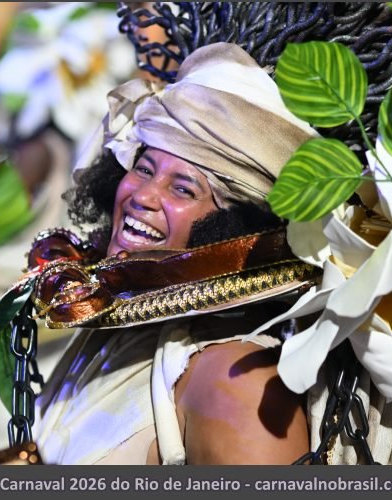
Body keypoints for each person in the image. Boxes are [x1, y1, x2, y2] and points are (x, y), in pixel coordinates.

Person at [31, 42, 322, 464]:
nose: (142, 196)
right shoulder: (112, 327)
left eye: (183, 189)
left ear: (236, 227)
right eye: (144, 169)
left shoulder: (234, 379)